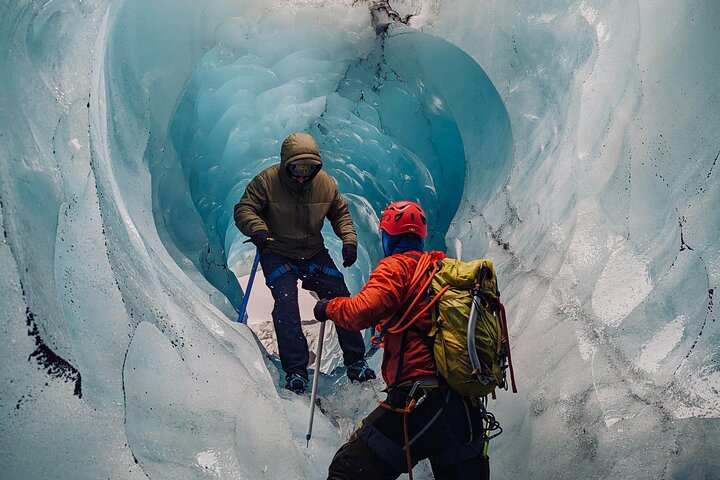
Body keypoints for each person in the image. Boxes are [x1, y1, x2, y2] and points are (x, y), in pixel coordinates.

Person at [313, 200, 491, 480]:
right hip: (464, 410)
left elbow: (362, 312)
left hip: (420, 404)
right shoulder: (443, 270)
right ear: (420, 236)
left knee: (347, 472)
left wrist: (328, 308)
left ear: (387, 236)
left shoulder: (397, 267)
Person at [234, 132, 375, 395]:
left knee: (341, 298)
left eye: (308, 169)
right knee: (286, 303)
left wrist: (349, 241)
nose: (301, 175)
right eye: (296, 169)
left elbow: (340, 213)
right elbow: (245, 209)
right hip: (276, 249)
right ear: (286, 164)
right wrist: (258, 229)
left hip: (313, 252)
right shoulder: (266, 181)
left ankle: (356, 361)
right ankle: (296, 371)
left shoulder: (325, 184)